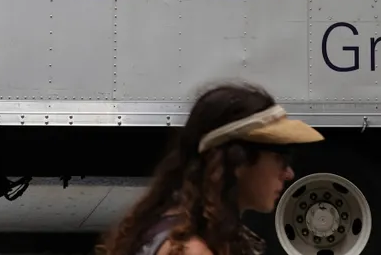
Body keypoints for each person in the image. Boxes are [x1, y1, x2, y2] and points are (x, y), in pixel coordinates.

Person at [97, 82, 324, 255]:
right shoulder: (190, 249)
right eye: (280, 158)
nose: (288, 173)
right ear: (239, 161)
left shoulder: (173, 228)